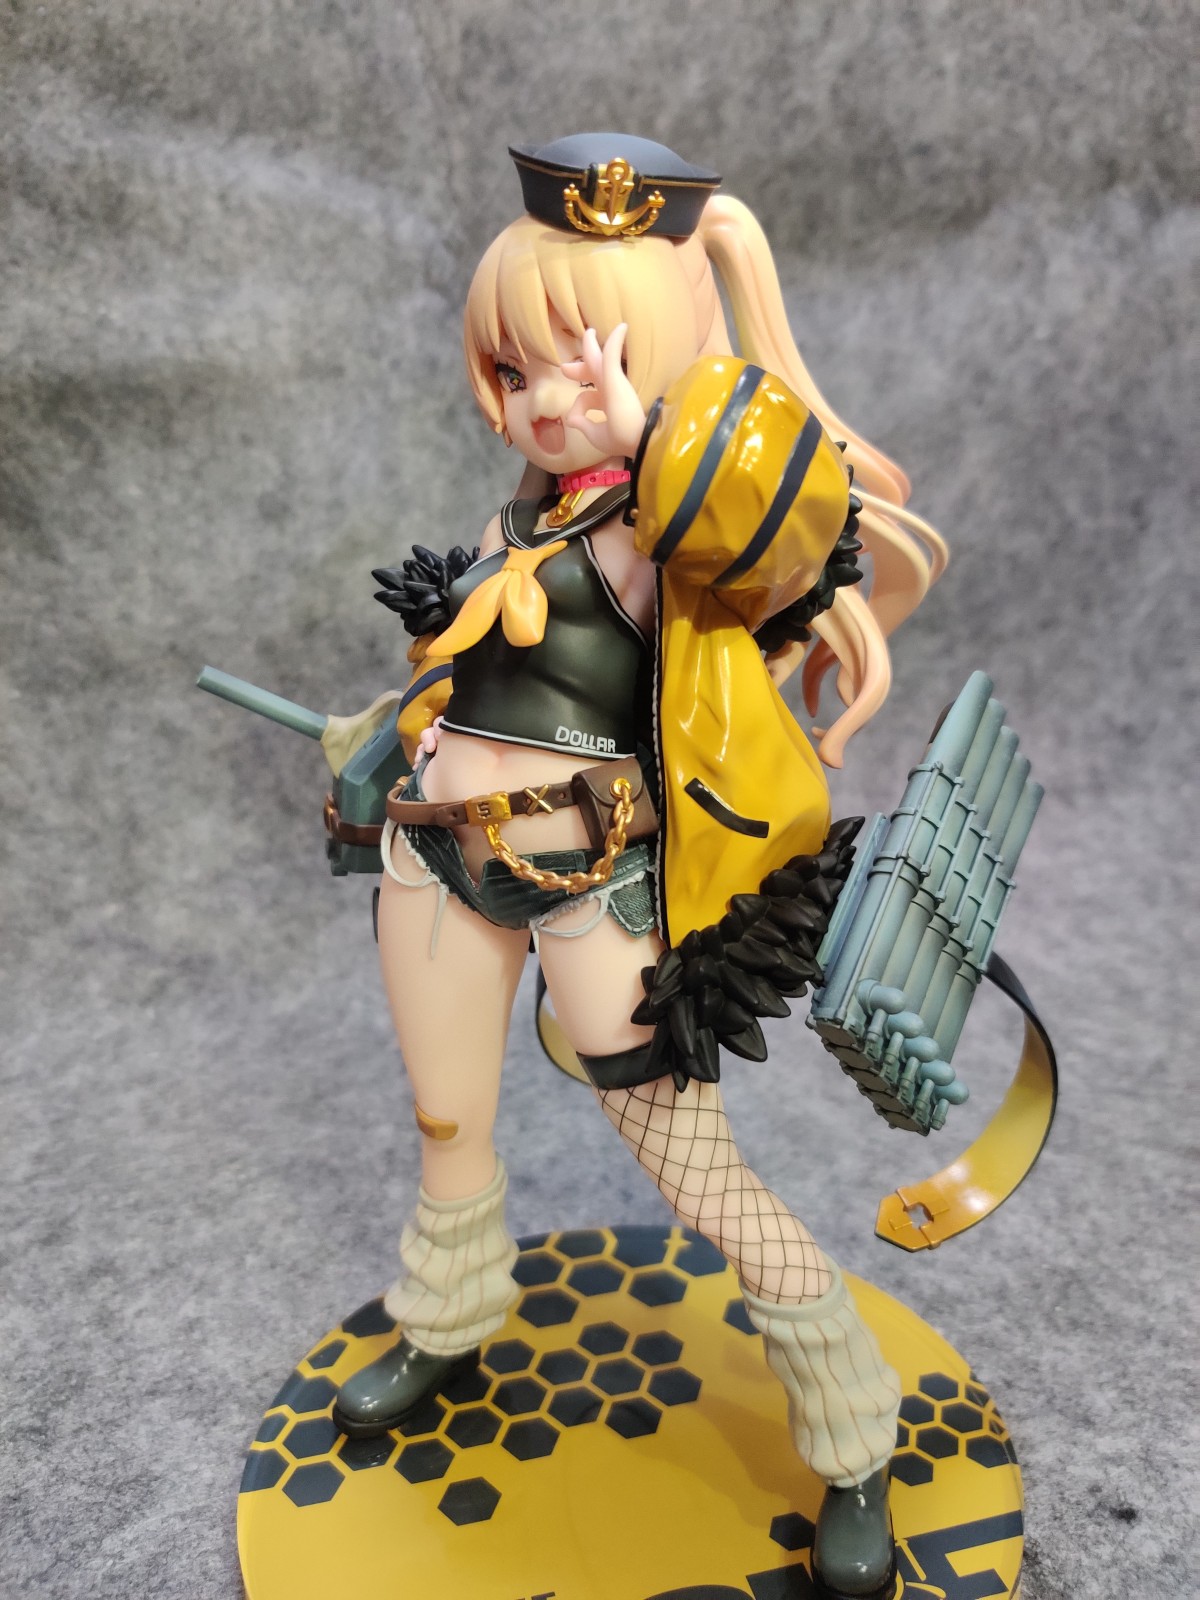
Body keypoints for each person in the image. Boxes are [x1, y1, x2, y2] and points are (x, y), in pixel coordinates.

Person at [331, 133, 946, 1600]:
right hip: (440, 860)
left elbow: (764, 543)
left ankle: (855, 1435)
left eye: (585, 363)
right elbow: (470, 664)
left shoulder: (673, 528)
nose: (545, 400)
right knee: (446, 1120)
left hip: (592, 884)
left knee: (700, 1175)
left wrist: (654, 441)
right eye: (515, 366)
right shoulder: (525, 510)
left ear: (663, 362)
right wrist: (393, 724)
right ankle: (449, 1318)